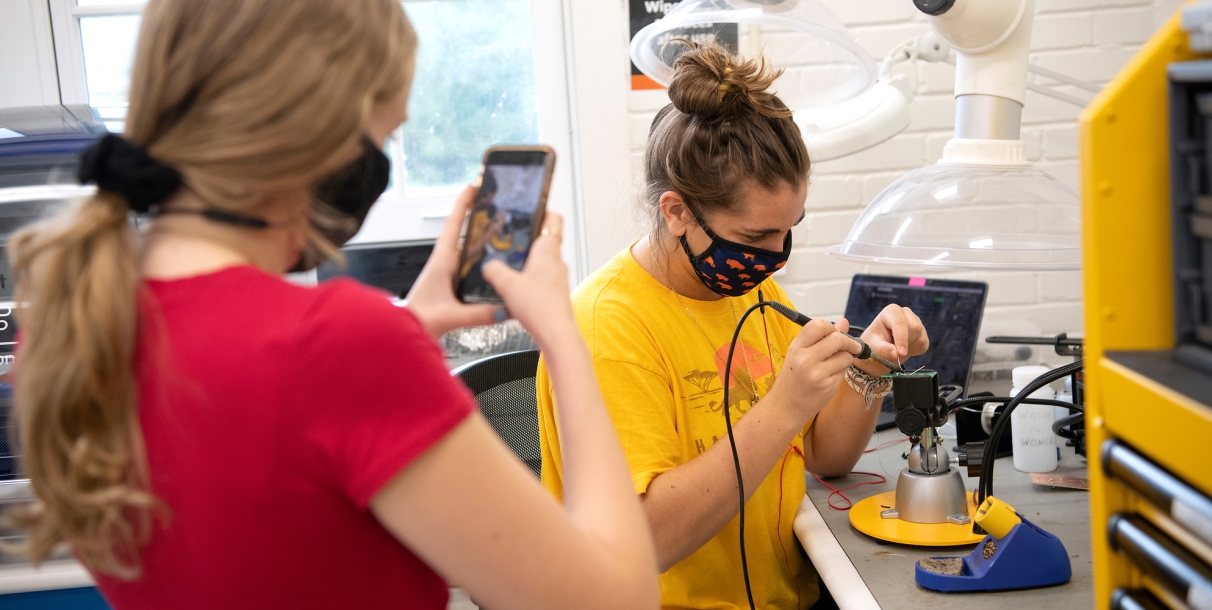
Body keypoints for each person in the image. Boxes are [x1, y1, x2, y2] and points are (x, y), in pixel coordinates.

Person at [9, 1, 657, 609]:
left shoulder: (73, 325)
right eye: (378, 142)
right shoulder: (338, 344)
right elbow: (616, 597)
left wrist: (411, 322)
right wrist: (563, 335)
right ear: (314, 137)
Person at [535, 42, 930, 609]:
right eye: (755, 238)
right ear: (677, 213)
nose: (777, 257)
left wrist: (870, 366)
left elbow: (827, 458)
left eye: (788, 228)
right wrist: (787, 405)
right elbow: (645, 540)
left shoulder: (747, 287)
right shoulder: (606, 330)